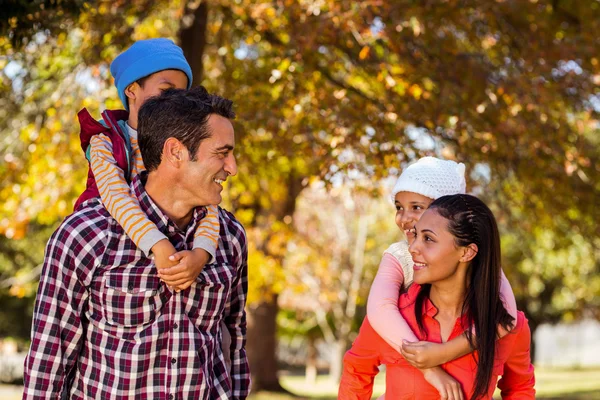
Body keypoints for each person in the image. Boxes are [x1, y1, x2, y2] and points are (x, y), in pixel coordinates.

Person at [23, 87, 250, 399]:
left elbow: (234, 343)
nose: (233, 167)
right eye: (222, 153)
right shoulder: (86, 235)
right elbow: (50, 360)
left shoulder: (230, 237)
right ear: (175, 152)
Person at [339, 194, 535, 399]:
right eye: (415, 235)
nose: (412, 247)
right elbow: (356, 374)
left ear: (467, 253)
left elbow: (520, 389)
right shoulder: (389, 319)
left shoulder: (510, 328)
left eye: (428, 239)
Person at [75, 37, 219, 292]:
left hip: (175, 259)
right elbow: (115, 196)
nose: (174, 100)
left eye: (180, 94)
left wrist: (201, 253)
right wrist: (158, 245)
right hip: (117, 256)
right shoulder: (105, 142)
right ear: (131, 89)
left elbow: (207, 202)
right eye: (166, 90)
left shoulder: (183, 146)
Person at [366, 157, 518, 396]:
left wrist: (445, 352)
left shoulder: (479, 257)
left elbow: (507, 316)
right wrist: (430, 367)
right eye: (398, 207)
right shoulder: (398, 255)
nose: (404, 218)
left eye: (416, 207)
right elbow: (379, 309)